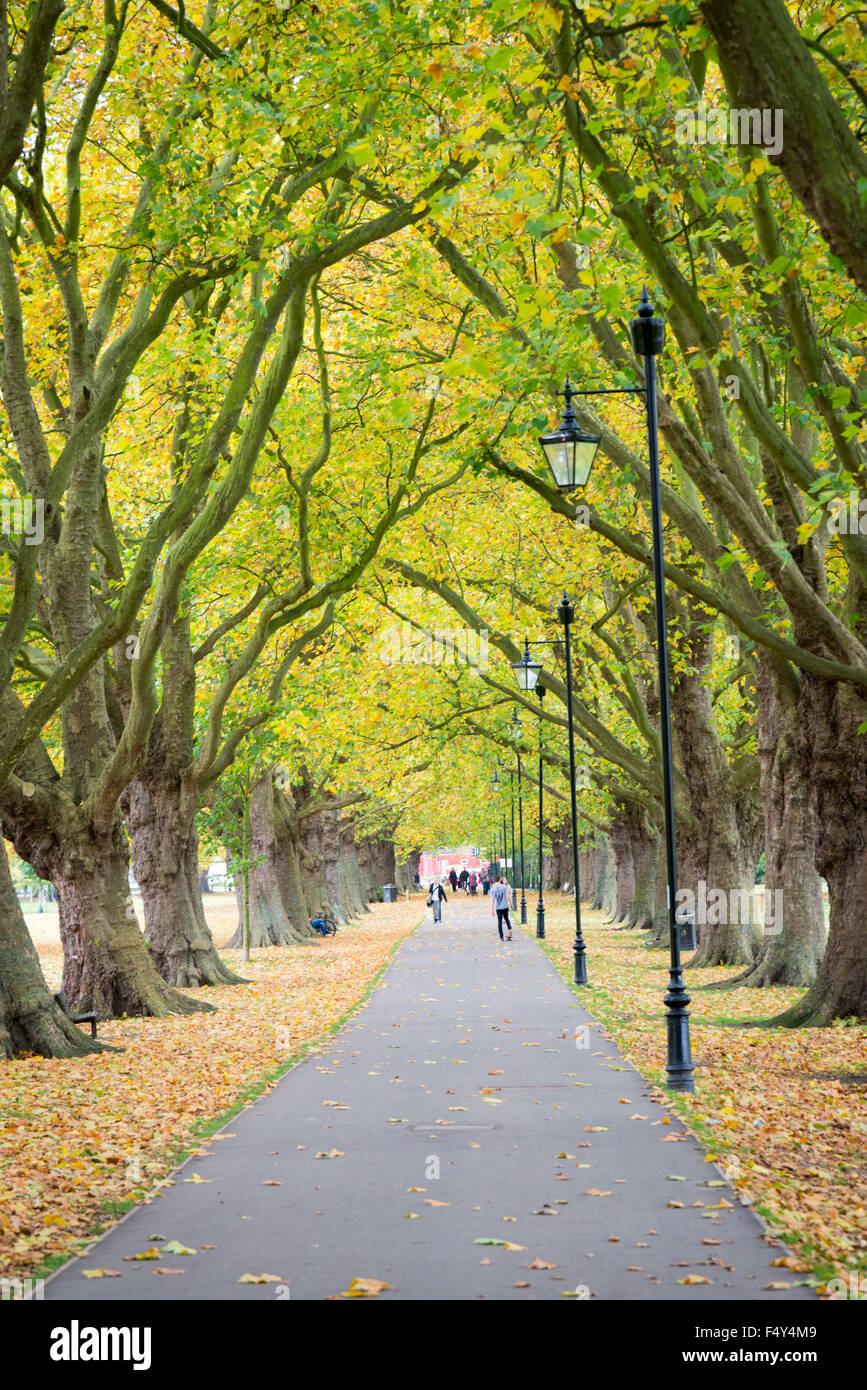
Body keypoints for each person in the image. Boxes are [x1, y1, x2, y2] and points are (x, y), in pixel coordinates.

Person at [491, 874, 513, 941]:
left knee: (499, 922)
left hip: (498, 907)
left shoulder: (492, 889)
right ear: (499, 879)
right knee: (507, 920)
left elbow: (493, 900)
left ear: (494, 880)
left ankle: (501, 937)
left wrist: (492, 910)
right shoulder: (504, 887)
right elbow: (507, 896)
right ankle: (510, 932)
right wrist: (511, 904)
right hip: (505, 906)